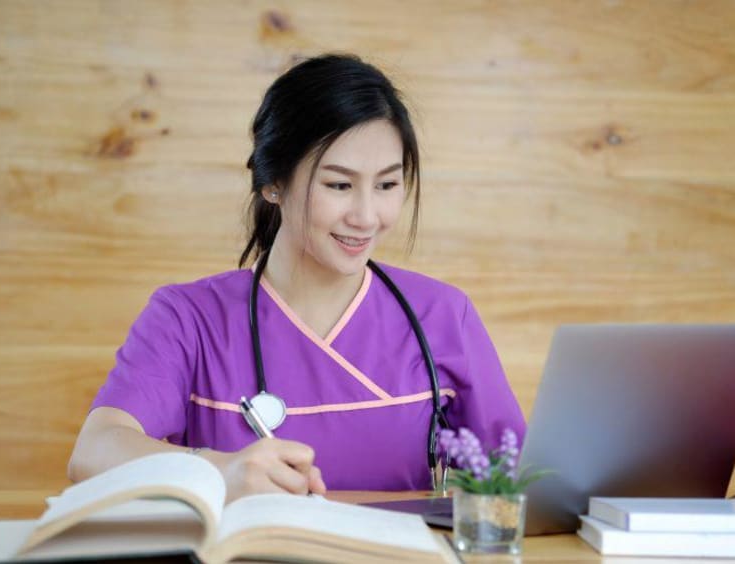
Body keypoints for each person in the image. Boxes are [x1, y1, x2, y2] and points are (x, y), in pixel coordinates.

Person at [68, 54, 525, 502]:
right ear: (274, 184)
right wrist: (218, 471)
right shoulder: (188, 318)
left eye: (386, 185)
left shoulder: (443, 314)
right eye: (339, 185)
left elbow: (522, 479)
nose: (367, 216)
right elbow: (93, 452)